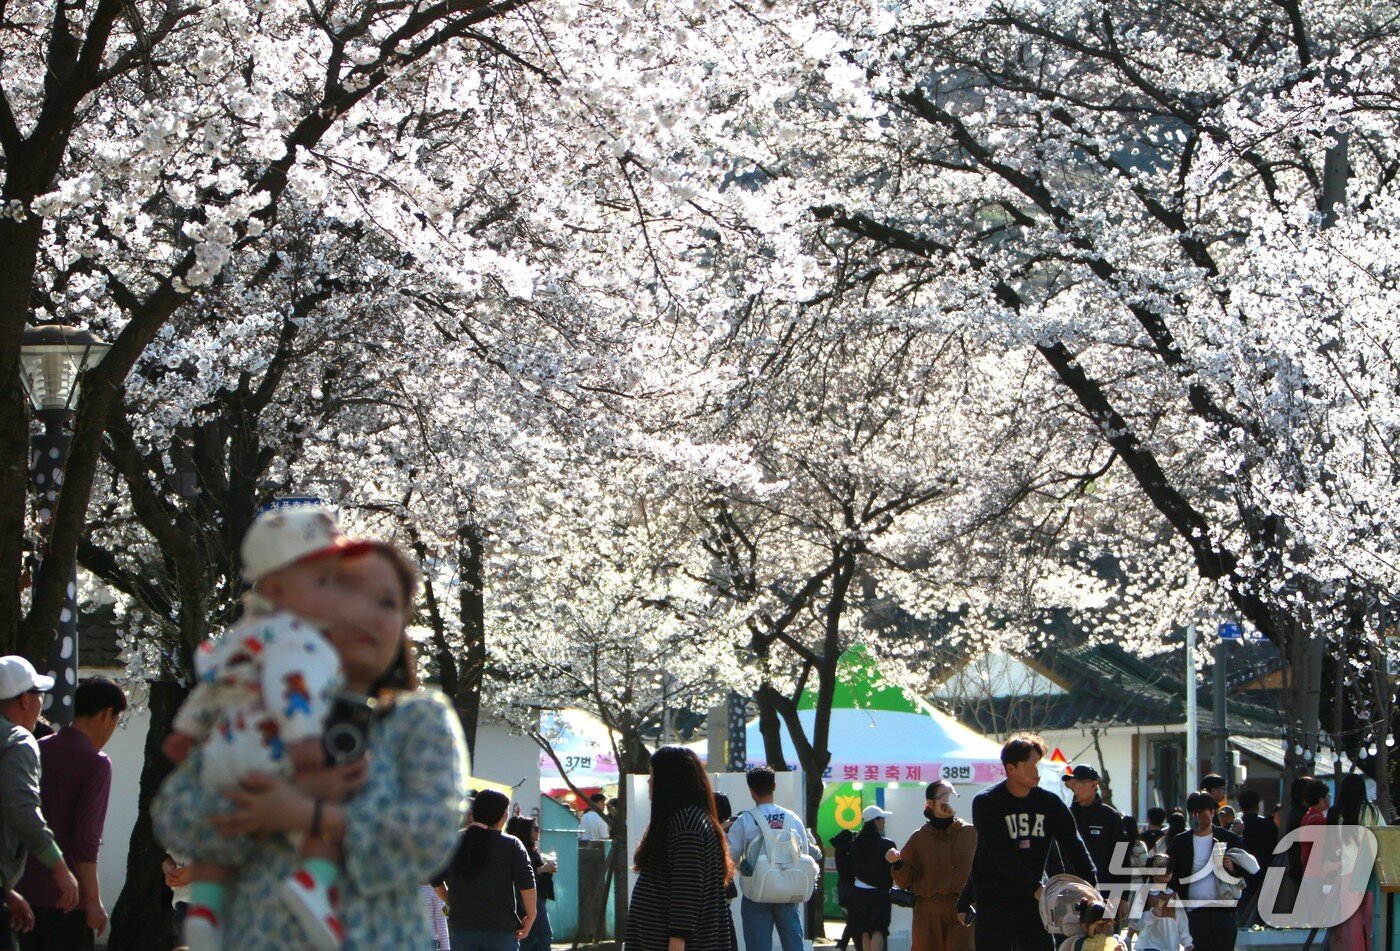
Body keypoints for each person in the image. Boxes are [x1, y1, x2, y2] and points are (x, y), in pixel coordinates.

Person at [154, 540, 470, 951]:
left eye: (389, 603)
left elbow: (432, 835)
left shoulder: (419, 720)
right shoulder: (257, 708)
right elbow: (177, 808)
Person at [159, 507, 374, 950]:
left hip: (224, 753)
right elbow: (289, 689)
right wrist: (304, 739)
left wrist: (185, 729)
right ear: (279, 587)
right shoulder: (297, 639)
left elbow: (212, 689)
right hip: (273, 751)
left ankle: (204, 910)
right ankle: (311, 885)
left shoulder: (242, 637)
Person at [15, 677, 127, 950]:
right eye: (115, 720)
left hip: (23, 893)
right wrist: (93, 900)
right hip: (67, 898)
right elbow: (85, 841)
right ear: (106, 714)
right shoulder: (96, 763)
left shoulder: (36, 749)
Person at [963, 733, 1097, 951]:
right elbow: (1000, 854)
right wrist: (1037, 889)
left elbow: (1074, 846)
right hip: (996, 901)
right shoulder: (987, 802)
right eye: (1032, 765)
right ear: (1011, 768)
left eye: (1039, 764)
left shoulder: (1049, 803)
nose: (1037, 771)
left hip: (1035, 903)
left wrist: (1093, 888)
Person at [0, 657, 81, 950]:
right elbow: (20, 807)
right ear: (23, 700)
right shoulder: (18, 739)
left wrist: (6, 891)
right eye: (38, 695)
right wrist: (58, 866)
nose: (40, 704)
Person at [626, 746, 734, 951]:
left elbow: (687, 887)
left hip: (672, 942)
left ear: (669, 780)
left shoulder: (687, 823)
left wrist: (678, 939)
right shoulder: (685, 819)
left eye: (653, 774)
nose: (649, 781)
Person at [435, 790, 536, 951]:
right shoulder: (512, 845)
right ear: (502, 814)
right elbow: (527, 883)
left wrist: (451, 901)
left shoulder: (453, 842)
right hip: (501, 930)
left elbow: (435, 879)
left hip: (463, 928)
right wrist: (531, 916)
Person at [727, 765, 813, 951]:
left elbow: (729, 858)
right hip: (788, 893)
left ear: (751, 791)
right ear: (774, 786)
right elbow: (804, 852)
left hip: (756, 894)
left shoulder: (746, 820)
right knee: (794, 946)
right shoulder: (793, 819)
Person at [893, 780, 976, 951]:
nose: (950, 799)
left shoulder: (971, 833)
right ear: (930, 804)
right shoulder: (919, 838)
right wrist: (898, 863)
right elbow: (904, 881)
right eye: (945, 796)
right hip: (928, 912)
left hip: (963, 909)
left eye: (954, 795)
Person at [1166, 791, 1243, 951]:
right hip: (1192, 913)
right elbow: (1168, 874)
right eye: (1193, 812)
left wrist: (1233, 868)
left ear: (1212, 812)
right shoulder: (1180, 842)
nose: (1197, 816)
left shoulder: (1228, 839)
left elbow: (1247, 868)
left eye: (1201, 812)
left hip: (1223, 912)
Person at [1062, 765, 1131, 909]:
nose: (1074, 787)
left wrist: (1122, 896)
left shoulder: (1111, 817)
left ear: (1094, 784)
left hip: (1104, 896)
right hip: (1069, 894)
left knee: (1104, 932)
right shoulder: (1065, 816)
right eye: (1072, 783)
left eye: (1079, 782)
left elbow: (1121, 858)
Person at [1326, 773, 1376, 951]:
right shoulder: (1372, 812)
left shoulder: (1335, 813)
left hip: (1346, 872)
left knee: (1351, 926)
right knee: (1372, 923)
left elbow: (1330, 846)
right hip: (1370, 872)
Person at [849, 806, 901, 951]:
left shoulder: (855, 843)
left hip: (859, 891)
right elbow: (893, 868)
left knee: (865, 931)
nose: (884, 822)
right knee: (878, 930)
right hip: (880, 893)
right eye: (882, 819)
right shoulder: (887, 844)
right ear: (876, 821)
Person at [506, 816, 556, 951]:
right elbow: (522, 873)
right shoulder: (520, 850)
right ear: (526, 831)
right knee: (542, 936)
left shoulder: (532, 850)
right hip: (527, 898)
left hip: (537, 896)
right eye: (535, 828)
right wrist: (544, 869)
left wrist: (547, 870)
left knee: (535, 936)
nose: (538, 830)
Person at [1127, 854, 1192, 951]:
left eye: (1169, 868)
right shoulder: (1144, 892)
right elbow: (1135, 922)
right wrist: (1151, 914)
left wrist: (1187, 942)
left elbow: (1181, 920)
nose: (1166, 872)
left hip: (1169, 944)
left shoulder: (1173, 894)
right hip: (1149, 944)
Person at [1235, 790, 1275, 923]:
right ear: (1257, 806)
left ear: (1241, 807)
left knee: (1242, 910)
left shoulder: (1236, 827)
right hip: (1265, 871)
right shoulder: (1269, 825)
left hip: (1243, 874)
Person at [833, 824, 858, 951]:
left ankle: (842, 945)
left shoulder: (839, 850)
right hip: (850, 889)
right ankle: (842, 945)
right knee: (853, 920)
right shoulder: (849, 852)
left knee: (851, 920)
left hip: (842, 888)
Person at [1298, 779, 1330, 874]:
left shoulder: (1308, 816)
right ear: (1321, 800)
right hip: (1316, 872)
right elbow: (1321, 849)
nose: (1329, 799)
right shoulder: (1318, 820)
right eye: (1328, 796)